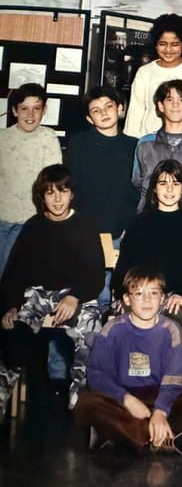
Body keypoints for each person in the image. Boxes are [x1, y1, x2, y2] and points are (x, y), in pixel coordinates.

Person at [0, 164, 104, 414]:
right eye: (50, 193)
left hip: (76, 294)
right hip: (38, 294)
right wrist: (11, 306)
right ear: (41, 196)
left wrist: (75, 296)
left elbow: (95, 273)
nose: (57, 199)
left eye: (63, 191)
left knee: (92, 332)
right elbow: (15, 271)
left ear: (72, 194)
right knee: (12, 332)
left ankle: (80, 399)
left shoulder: (84, 225)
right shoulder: (33, 226)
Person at [75, 266, 182, 455]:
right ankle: (163, 438)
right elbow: (97, 374)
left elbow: (173, 380)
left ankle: (130, 436)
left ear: (162, 298)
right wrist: (126, 400)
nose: (147, 299)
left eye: (153, 293)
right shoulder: (113, 329)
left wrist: (160, 412)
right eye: (139, 293)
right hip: (123, 401)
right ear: (127, 299)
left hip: (161, 398)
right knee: (85, 404)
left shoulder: (171, 330)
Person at [113, 159, 182, 389]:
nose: (169, 189)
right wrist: (121, 294)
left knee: (178, 321)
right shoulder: (140, 222)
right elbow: (125, 264)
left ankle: (176, 393)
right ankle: (133, 393)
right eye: (163, 183)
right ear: (154, 189)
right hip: (143, 293)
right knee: (119, 320)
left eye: (175, 184)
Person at [64, 85, 139, 313]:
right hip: (86, 230)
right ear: (89, 118)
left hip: (121, 231)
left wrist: (129, 226)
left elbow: (137, 191)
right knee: (88, 296)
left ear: (120, 108)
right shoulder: (78, 144)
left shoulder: (134, 146)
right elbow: (71, 189)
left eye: (108, 106)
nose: (104, 113)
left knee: (116, 296)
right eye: (96, 110)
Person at [0, 83, 62, 278]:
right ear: (14, 111)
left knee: (13, 273)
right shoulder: (3, 138)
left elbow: (53, 182)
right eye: (24, 108)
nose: (30, 115)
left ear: (44, 110)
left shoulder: (48, 138)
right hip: (1, 218)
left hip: (30, 220)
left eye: (36, 108)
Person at [124, 13, 182, 142]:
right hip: (151, 143)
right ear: (156, 44)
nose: (168, 49)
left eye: (175, 44)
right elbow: (135, 114)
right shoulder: (145, 72)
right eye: (163, 43)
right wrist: (134, 144)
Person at [132, 79, 182, 215]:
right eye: (169, 99)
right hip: (151, 219)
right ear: (161, 106)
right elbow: (138, 185)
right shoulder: (145, 144)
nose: (175, 105)